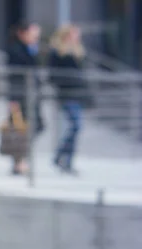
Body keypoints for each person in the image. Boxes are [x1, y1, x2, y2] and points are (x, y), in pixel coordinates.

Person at [47, 25, 87, 175]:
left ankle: (63, 159)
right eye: (74, 35)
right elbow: (52, 75)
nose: (77, 38)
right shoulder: (57, 53)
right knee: (76, 126)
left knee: (76, 127)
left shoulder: (78, 52)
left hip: (77, 94)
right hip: (66, 94)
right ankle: (62, 157)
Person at [6, 21, 43, 175]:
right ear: (23, 33)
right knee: (20, 130)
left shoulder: (30, 50)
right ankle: (18, 162)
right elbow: (15, 75)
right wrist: (13, 100)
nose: (35, 38)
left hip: (30, 95)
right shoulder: (16, 50)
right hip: (20, 96)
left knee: (34, 127)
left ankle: (21, 159)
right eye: (33, 34)